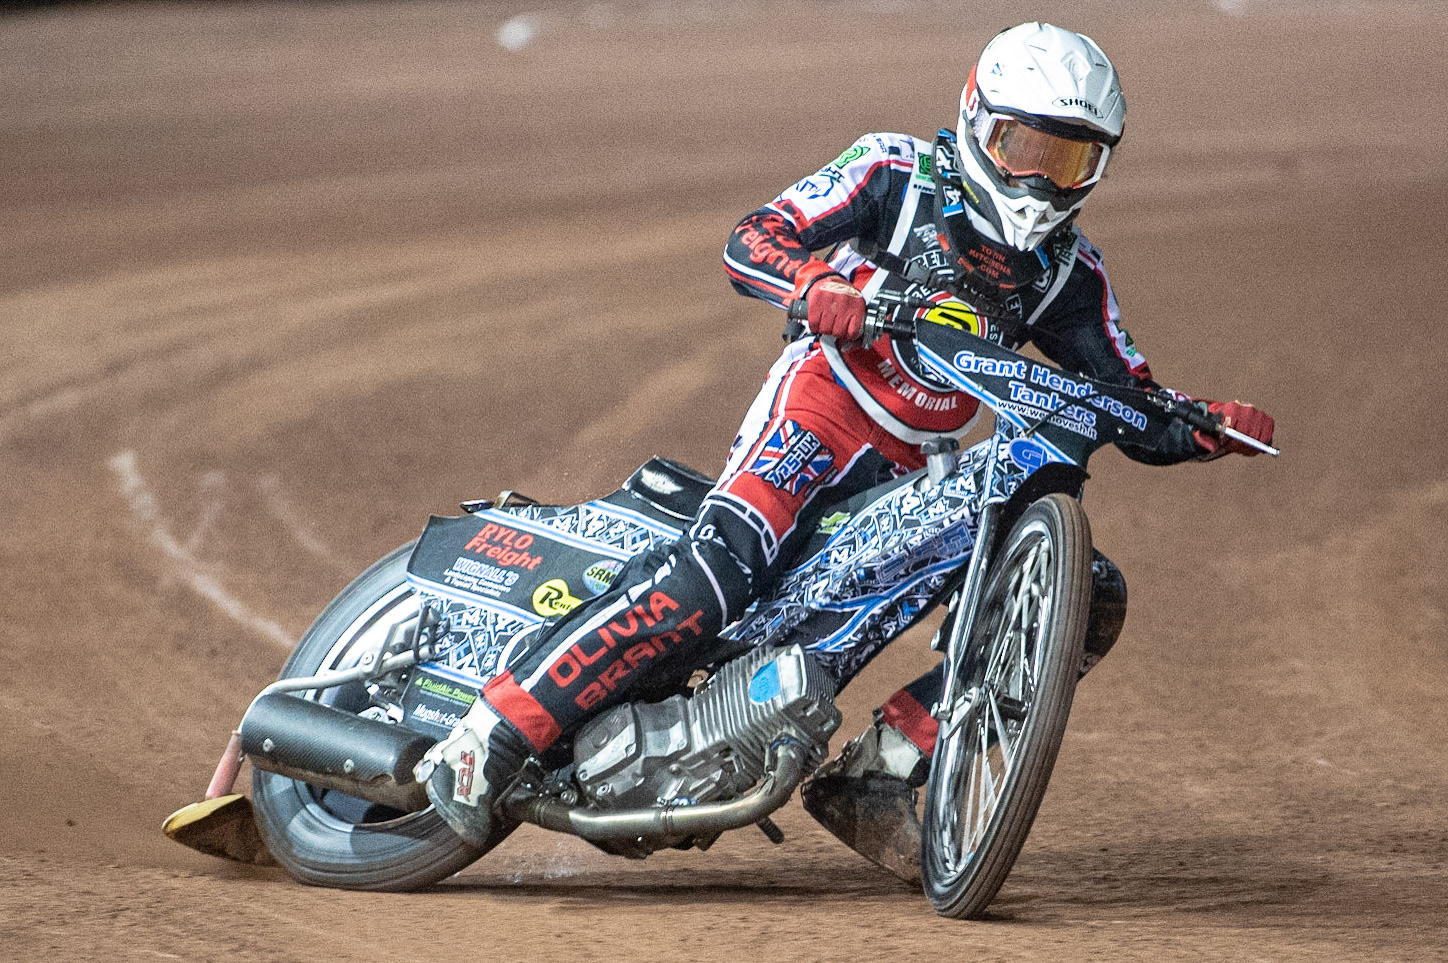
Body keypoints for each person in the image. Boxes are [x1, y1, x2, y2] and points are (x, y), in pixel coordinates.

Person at [415, 21, 1275, 881]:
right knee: (721, 571)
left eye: (1069, 160)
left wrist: (1200, 426)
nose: (1038, 180)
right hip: (817, 411)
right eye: (1023, 147)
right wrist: (813, 283)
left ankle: (879, 776)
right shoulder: (894, 172)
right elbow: (755, 235)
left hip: (915, 469)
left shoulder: (1068, 275)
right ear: (977, 121)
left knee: (1088, 591)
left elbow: (1125, 393)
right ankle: (492, 731)